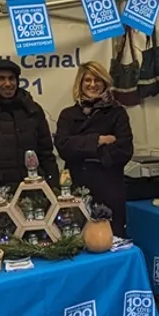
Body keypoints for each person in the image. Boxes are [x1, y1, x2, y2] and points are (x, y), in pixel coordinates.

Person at [0, 59, 59, 206]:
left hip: (34, 192)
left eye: (11, 78)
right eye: (1, 78)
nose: (7, 84)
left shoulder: (33, 110)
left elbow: (46, 155)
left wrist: (55, 190)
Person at [55, 61, 135, 236]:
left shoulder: (117, 113)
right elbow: (63, 147)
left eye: (97, 80)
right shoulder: (68, 115)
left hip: (109, 187)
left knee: (112, 238)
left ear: (105, 83)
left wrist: (82, 149)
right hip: (76, 186)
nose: (93, 84)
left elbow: (124, 150)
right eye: (88, 80)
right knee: (75, 237)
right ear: (80, 83)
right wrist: (99, 140)